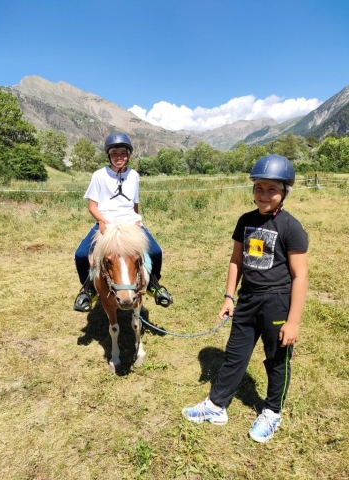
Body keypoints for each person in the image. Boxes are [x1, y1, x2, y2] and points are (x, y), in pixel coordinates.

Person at [182, 154, 308, 443]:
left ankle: (272, 411)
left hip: (277, 301)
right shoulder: (245, 221)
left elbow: (300, 276)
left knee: (276, 359)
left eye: (271, 190)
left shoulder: (291, 227)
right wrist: (229, 296)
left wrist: (293, 321)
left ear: (285, 192)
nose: (263, 195)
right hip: (247, 299)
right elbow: (236, 260)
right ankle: (216, 406)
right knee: (235, 354)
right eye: (259, 188)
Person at [73, 131, 173, 312]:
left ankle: (154, 286)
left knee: (156, 251)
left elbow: (134, 204)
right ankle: (88, 290)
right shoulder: (99, 175)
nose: (119, 157)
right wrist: (102, 221)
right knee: (81, 254)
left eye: (123, 153)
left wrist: (137, 221)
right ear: (108, 155)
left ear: (128, 155)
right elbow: (92, 206)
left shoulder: (134, 175)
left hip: (130, 224)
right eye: (114, 153)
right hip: (106, 224)